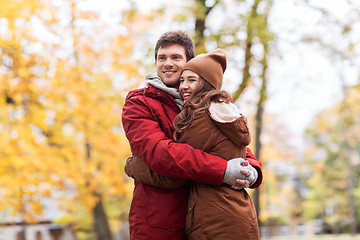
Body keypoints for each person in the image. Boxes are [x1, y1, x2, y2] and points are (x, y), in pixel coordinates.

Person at [121, 31, 262, 240]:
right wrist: (223, 170)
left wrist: (252, 169)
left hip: (205, 219)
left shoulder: (208, 105)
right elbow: (160, 154)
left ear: (188, 62)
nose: (167, 63)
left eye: (175, 57)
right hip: (160, 223)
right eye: (162, 58)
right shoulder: (140, 102)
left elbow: (233, 145)